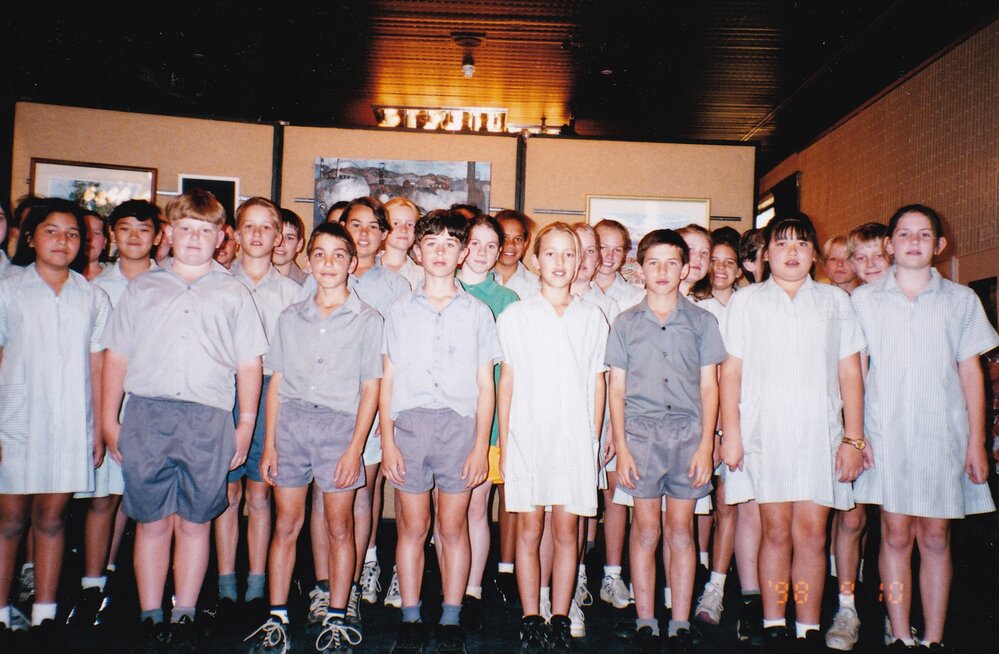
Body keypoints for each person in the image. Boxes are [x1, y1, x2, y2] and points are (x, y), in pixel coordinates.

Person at [101, 189, 267, 649]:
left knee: (195, 521)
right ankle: (151, 612)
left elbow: (248, 365)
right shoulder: (143, 288)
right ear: (169, 233)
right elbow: (116, 357)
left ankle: (186, 612)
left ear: (221, 238)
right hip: (148, 416)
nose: (195, 238)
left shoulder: (234, 292)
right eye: (186, 229)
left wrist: (245, 425)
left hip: (209, 421)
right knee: (152, 521)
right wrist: (109, 420)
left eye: (206, 230)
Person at [851, 205, 998, 651]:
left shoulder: (961, 301)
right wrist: (856, 436)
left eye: (924, 234)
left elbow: (971, 374)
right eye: (903, 233)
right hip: (886, 434)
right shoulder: (863, 301)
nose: (913, 241)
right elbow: (854, 374)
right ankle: (899, 634)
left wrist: (976, 441)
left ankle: (933, 637)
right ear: (889, 245)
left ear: (939, 245)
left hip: (943, 436)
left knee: (936, 535)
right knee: (895, 534)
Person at [720, 212, 867, 653]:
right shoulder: (747, 303)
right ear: (766, 253)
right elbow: (732, 372)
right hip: (765, 434)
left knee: (812, 536)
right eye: (782, 244)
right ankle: (772, 620)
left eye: (801, 244)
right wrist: (731, 434)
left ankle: (806, 625)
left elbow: (850, 373)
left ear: (814, 254)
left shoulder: (835, 302)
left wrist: (853, 439)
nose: (791, 252)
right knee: (775, 532)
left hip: (818, 435)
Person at [244, 222, 382, 654]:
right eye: (319, 254)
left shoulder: (368, 319)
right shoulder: (290, 317)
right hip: (292, 428)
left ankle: (338, 617)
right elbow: (278, 381)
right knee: (286, 524)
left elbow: (371, 389)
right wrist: (269, 443)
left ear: (352, 263)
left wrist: (355, 448)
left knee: (340, 526)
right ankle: (278, 617)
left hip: (339, 429)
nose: (328, 263)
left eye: (339, 255)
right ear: (307, 260)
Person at [381, 209, 500, 654]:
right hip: (410, 428)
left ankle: (451, 616)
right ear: (417, 250)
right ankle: (411, 615)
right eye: (431, 243)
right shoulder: (398, 311)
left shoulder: (477, 312)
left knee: (453, 529)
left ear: (463, 252)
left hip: (459, 431)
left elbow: (485, 387)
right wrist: (388, 439)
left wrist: (478, 447)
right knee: (412, 528)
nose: (440, 252)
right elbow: (388, 381)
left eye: (451, 244)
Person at [609, 229, 726, 653]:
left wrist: (704, 445)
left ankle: (678, 620)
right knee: (644, 531)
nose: (662, 271)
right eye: (653, 263)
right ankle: (645, 618)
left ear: (686, 268)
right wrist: (621, 447)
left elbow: (710, 388)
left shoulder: (702, 322)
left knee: (681, 531)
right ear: (639, 270)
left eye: (671, 263)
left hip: (687, 437)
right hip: (640, 438)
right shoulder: (624, 323)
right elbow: (616, 390)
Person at [0, 199, 110, 639]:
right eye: (51, 231)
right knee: (9, 521)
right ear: (30, 238)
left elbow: (98, 364)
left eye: (72, 234)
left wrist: (99, 426)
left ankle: (45, 613)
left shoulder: (92, 295)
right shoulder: (9, 289)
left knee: (52, 519)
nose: (62, 241)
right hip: (17, 419)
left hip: (70, 421)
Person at [497, 222, 608, 653]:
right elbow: (507, 382)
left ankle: (561, 616)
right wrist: (506, 445)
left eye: (569, 254)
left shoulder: (590, 317)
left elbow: (598, 382)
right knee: (529, 529)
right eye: (551, 254)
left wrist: (594, 438)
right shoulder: (517, 316)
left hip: (574, 438)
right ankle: (531, 616)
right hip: (528, 435)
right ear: (536, 260)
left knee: (567, 532)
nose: (560, 263)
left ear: (580, 261)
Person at [67, 200, 162, 629]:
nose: (135, 238)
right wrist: (103, 422)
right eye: (125, 229)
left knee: (151, 503)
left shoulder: (171, 283)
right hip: (110, 404)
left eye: (144, 229)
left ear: (158, 236)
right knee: (103, 498)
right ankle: (94, 584)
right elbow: (98, 360)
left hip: (156, 405)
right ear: (111, 234)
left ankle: (154, 592)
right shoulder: (96, 287)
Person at [212, 198, 302, 628]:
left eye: (267, 228)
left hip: (272, 394)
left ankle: (257, 581)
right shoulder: (217, 283)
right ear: (235, 231)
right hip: (223, 393)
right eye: (249, 226)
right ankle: (227, 581)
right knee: (227, 492)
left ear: (279, 235)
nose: (258, 235)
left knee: (261, 491)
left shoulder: (292, 292)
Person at [824, 222, 889, 651]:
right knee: (851, 517)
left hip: (896, 424)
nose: (863, 267)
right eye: (855, 258)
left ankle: (894, 613)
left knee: (898, 528)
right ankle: (846, 606)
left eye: (873, 258)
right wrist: (853, 435)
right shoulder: (843, 304)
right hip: (855, 425)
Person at [455, 214, 519, 633]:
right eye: (474, 243)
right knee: (442, 515)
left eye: (490, 246)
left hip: (487, 422)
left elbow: (511, 372)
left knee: (476, 509)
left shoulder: (508, 300)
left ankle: (472, 589)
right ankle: (446, 584)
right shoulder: (437, 285)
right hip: (438, 418)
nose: (481, 252)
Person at [692, 236, 743, 628]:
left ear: (740, 269)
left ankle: (718, 585)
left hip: (739, 418)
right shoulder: (698, 308)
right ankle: (697, 567)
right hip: (703, 417)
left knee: (728, 502)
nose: (722, 268)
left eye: (730, 262)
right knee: (697, 501)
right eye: (716, 260)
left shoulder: (748, 306)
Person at [593, 219, 645, 312]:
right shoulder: (575, 291)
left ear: (624, 254)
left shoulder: (637, 297)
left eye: (617, 250)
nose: (610, 255)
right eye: (603, 247)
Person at [492, 209, 540, 299]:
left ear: (525, 244)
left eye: (518, 239)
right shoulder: (480, 278)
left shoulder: (536, 286)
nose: (510, 244)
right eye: (504, 238)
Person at [382, 198, 424, 290]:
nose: (404, 230)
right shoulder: (367, 267)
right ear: (384, 228)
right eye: (396, 223)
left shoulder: (422, 276)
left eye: (409, 224)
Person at [272, 208, 309, 285]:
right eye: (276, 236)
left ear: (299, 244)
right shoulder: (249, 281)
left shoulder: (309, 285)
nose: (281, 243)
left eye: (289, 238)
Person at [82, 211, 110, 281]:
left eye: (96, 233)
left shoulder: (115, 277)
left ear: (104, 242)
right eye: (84, 231)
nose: (89, 237)